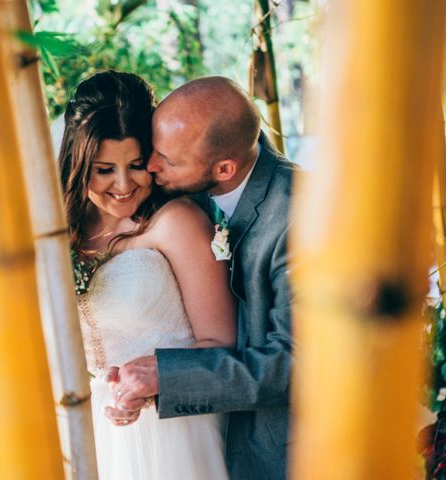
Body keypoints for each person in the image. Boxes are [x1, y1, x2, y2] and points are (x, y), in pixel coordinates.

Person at [107, 77, 296, 480]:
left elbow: (296, 363)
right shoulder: (187, 186)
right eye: (152, 151)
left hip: (287, 454)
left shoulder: (301, 216)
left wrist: (166, 375)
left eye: (167, 161)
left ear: (224, 168)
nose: (150, 168)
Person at [58, 70, 237, 480]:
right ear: (77, 162)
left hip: (171, 434)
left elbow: (222, 344)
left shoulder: (177, 223)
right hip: (85, 427)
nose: (123, 185)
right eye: (104, 169)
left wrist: (154, 381)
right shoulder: (56, 234)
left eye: (137, 165)